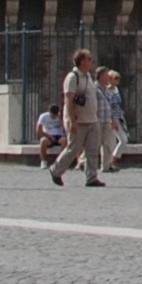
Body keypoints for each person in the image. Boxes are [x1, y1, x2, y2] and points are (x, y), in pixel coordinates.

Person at [52, 50, 106, 186]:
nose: (92, 61)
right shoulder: (73, 77)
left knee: (93, 150)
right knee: (73, 149)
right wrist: (73, 121)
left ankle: (92, 177)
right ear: (82, 61)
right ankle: (56, 170)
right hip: (78, 121)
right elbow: (68, 100)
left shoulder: (88, 76)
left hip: (92, 119)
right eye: (89, 58)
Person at [98, 66, 127, 172]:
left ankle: (110, 162)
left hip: (118, 117)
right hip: (111, 119)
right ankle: (111, 161)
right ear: (110, 79)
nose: (118, 80)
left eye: (118, 78)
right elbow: (108, 106)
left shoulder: (116, 89)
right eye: (116, 78)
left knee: (113, 142)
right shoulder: (107, 91)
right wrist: (112, 119)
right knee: (121, 140)